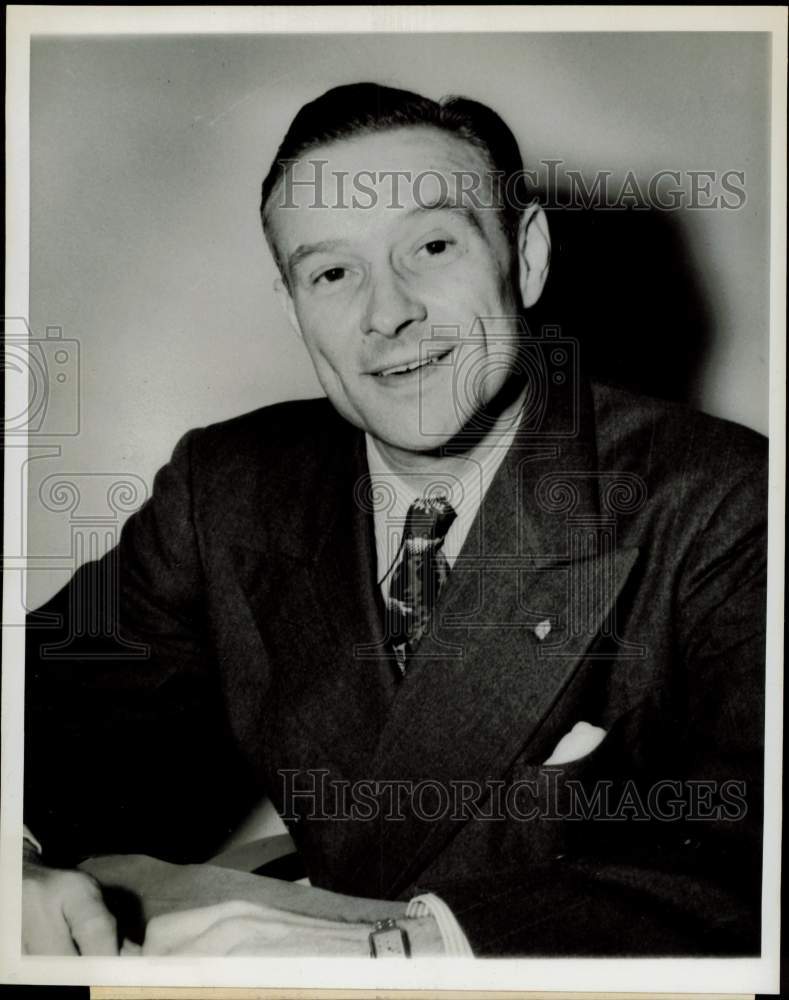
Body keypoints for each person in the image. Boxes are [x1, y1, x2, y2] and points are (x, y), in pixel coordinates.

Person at [22, 82, 767, 958]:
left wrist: (400, 947)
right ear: (295, 303)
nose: (388, 313)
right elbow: (36, 708)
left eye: (433, 246)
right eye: (333, 272)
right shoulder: (226, 488)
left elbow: (749, 859)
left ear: (524, 257)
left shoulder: (721, 498)